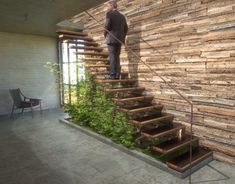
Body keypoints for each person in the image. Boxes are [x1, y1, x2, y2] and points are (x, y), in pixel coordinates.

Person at [104, 0, 128, 80]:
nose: (107, 8)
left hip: (111, 39)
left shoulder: (109, 14)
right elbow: (126, 29)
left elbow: (107, 26)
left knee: (112, 57)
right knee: (117, 57)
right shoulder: (122, 16)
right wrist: (122, 38)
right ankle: (117, 75)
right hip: (119, 40)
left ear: (111, 6)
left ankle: (112, 75)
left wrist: (105, 34)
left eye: (108, 6)